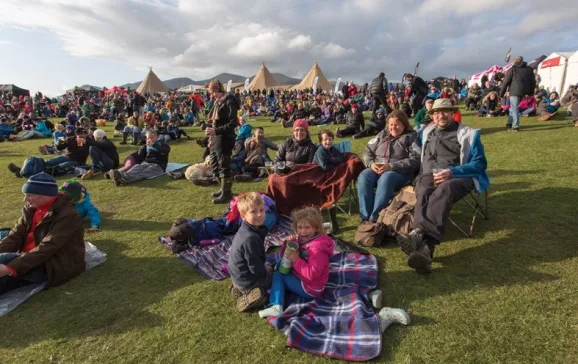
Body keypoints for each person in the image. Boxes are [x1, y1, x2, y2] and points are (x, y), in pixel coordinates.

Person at [398, 99, 489, 274]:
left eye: (445, 111)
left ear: (452, 112)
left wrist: (452, 172)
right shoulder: (427, 132)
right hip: (429, 175)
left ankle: (419, 236)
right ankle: (425, 251)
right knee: (423, 189)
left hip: (459, 175)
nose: (441, 115)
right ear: (432, 115)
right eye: (437, 112)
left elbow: (480, 164)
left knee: (444, 190)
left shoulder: (468, 134)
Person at [0, 173, 85, 295]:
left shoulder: (68, 215)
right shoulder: (32, 209)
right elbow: (15, 236)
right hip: (31, 257)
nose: (25, 199)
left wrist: (10, 268)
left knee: (5, 264)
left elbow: (48, 247)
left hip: (54, 264)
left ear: (45, 194)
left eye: (29, 194)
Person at [258, 207, 335, 318]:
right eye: (300, 227)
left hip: (310, 288)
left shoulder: (316, 250)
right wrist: (288, 245)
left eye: (307, 227)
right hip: (301, 276)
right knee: (280, 265)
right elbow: (285, 258)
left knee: (278, 275)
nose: (303, 231)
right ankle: (271, 278)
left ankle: (276, 306)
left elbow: (312, 275)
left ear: (316, 228)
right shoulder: (303, 239)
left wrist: (296, 260)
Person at [358, 110, 417, 222]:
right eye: (391, 124)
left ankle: (377, 216)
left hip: (400, 172)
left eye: (397, 125)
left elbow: (415, 160)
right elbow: (367, 151)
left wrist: (391, 166)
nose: (393, 128)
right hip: (378, 168)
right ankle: (365, 217)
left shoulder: (411, 137)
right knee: (364, 176)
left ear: (404, 125)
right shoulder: (382, 135)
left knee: (386, 178)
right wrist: (371, 163)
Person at [228, 193, 271, 312]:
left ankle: (238, 287)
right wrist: (265, 273)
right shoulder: (250, 238)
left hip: (238, 276)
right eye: (253, 212)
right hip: (247, 280)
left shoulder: (246, 229)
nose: (259, 215)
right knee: (278, 277)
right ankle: (254, 295)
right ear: (243, 216)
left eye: (262, 210)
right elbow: (255, 266)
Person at [205, 79, 240, 204]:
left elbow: (233, 123)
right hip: (216, 138)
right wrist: (211, 133)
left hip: (225, 137)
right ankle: (224, 189)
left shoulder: (229, 101)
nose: (212, 95)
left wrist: (216, 130)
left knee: (223, 165)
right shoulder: (218, 102)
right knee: (214, 164)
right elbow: (215, 119)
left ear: (218, 90)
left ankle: (226, 194)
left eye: (213, 92)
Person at [500, 56, 536, 132]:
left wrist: (501, 93)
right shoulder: (529, 69)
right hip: (524, 92)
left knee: (514, 108)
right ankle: (509, 123)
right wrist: (531, 92)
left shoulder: (512, 69)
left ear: (514, 61)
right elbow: (533, 81)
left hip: (514, 91)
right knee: (512, 108)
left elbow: (506, 82)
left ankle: (515, 126)